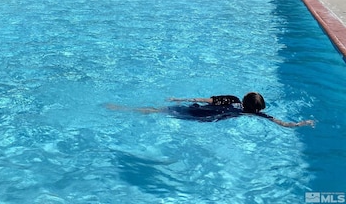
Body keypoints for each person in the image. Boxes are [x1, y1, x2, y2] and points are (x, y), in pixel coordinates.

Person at [109, 92, 315, 128]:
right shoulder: (252, 114)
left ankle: (122, 108)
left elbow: (202, 99)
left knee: (158, 111)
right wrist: (300, 124)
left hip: (198, 111)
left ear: (244, 98)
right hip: (205, 120)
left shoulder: (233, 100)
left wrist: (179, 98)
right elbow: (281, 123)